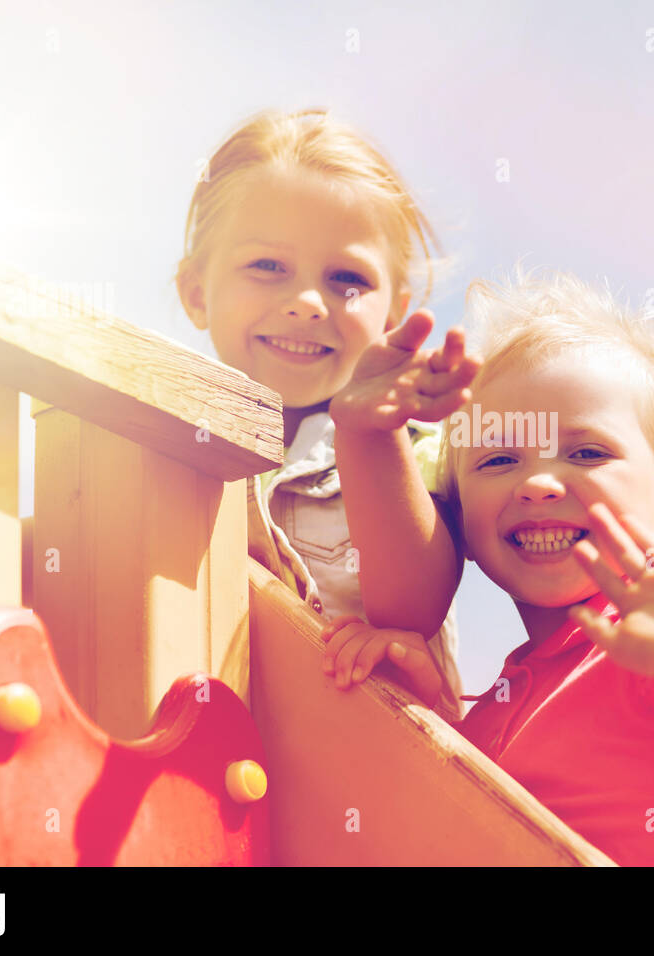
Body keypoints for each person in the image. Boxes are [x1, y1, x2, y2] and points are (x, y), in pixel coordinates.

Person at [323, 269, 654, 866]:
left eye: (587, 452)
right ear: (459, 521)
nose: (536, 482)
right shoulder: (494, 711)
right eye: (499, 459)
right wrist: (429, 716)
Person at [174, 109, 470, 720]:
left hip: (371, 777)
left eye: (347, 279)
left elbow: (412, 612)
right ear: (198, 292)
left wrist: (369, 432)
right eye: (267, 266)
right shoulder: (159, 441)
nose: (308, 302)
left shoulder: (412, 441)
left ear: (393, 312)